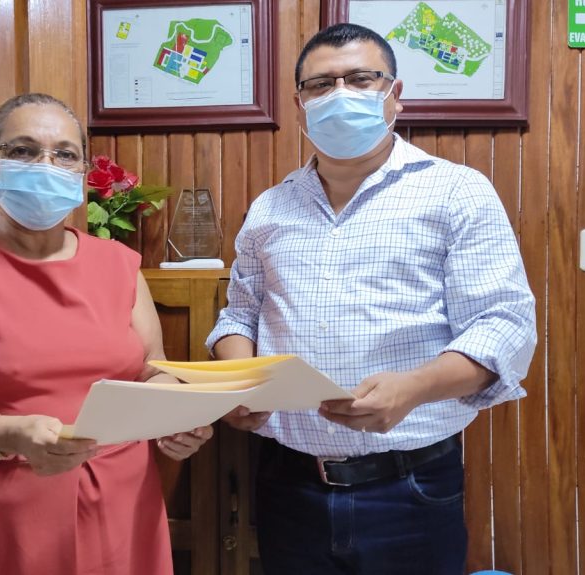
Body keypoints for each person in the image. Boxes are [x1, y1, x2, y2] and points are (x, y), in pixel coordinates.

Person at [207, 24, 537, 574]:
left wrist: (414, 388)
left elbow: (502, 325)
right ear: (300, 103)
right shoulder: (270, 208)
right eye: (321, 85)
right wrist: (243, 382)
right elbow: (238, 313)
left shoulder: (456, 190)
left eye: (360, 79)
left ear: (394, 93)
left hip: (410, 486)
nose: (340, 94)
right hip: (288, 483)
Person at [0, 93, 212, 574]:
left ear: (81, 173)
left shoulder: (119, 265)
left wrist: (174, 420)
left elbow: (150, 372)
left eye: (64, 154)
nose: (46, 164)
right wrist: (9, 433)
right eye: (23, 151)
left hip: (122, 508)